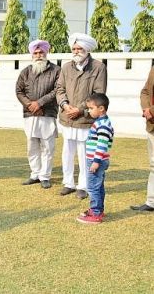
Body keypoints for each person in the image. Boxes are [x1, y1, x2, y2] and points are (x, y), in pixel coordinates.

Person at [56, 33, 107, 199]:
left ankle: (83, 186)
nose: (77, 51)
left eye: (80, 48)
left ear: (87, 50)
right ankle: (68, 183)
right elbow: (60, 89)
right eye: (74, 48)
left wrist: (79, 109)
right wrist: (65, 105)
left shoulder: (98, 67)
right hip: (67, 117)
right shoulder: (65, 67)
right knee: (67, 152)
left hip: (85, 118)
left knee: (85, 153)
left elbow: (98, 93)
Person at [15, 40, 60, 189]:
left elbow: (57, 91)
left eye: (41, 52)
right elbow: (19, 91)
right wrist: (30, 105)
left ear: (46, 53)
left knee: (47, 146)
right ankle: (34, 174)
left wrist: (40, 103)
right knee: (32, 146)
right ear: (32, 55)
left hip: (47, 114)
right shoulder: (26, 71)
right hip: (30, 115)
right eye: (36, 53)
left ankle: (45, 176)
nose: (39, 55)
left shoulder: (56, 71)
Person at [77, 93, 114, 224]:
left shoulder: (103, 125)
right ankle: (98, 210)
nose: (89, 111)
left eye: (91, 108)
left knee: (93, 187)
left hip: (96, 161)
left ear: (101, 108)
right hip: (95, 160)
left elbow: (102, 144)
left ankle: (96, 213)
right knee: (98, 186)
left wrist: (96, 161)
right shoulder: (100, 122)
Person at [131, 66, 154, 212]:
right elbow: (145, 91)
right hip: (152, 124)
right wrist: (146, 109)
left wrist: (151, 110)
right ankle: (151, 201)